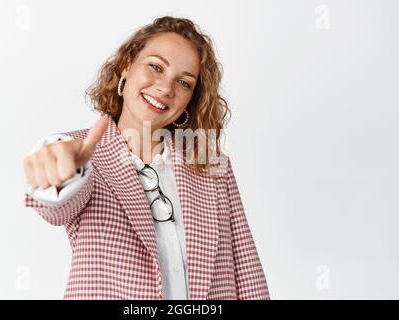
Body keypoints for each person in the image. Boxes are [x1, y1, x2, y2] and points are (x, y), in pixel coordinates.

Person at [23, 16, 270, 300]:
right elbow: (59, 206)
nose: (166, 88)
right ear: (127, 64)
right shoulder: (81, 153)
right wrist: (59, 175)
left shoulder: (210, 163)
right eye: (155, 67)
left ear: (192, 98)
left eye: (184, 82)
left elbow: (246, 267)